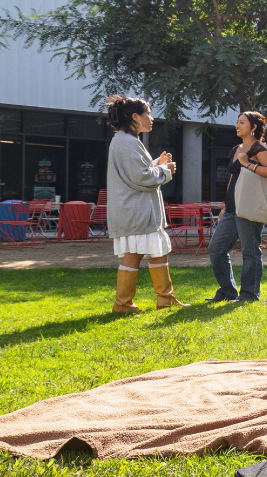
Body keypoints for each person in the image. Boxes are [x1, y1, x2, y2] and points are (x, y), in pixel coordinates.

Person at [102, 94, 184, 313]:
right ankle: (124, 303)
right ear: (135, 116)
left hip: (136, 210)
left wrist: (157, 163)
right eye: (148, 113)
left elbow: (138, 172)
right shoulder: (127, 142)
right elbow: (141, 178)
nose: (152, 118)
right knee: (138, 253)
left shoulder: (125, 141)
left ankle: (160, 299)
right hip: (137, 211)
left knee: (155, 251)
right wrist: (165, 170)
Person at [206, 111, 267, 303]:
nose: (237, 125)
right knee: (216, 248)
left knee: (250, 250)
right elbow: (233, 177)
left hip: (249, 205)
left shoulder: (259, 148)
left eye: (242, 122)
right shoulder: (235, 149)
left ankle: (249, 293)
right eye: (237, 122)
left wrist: (248, 164)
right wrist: (224, 206)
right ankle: (228, 290)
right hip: (232, 207)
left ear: (253, 127)